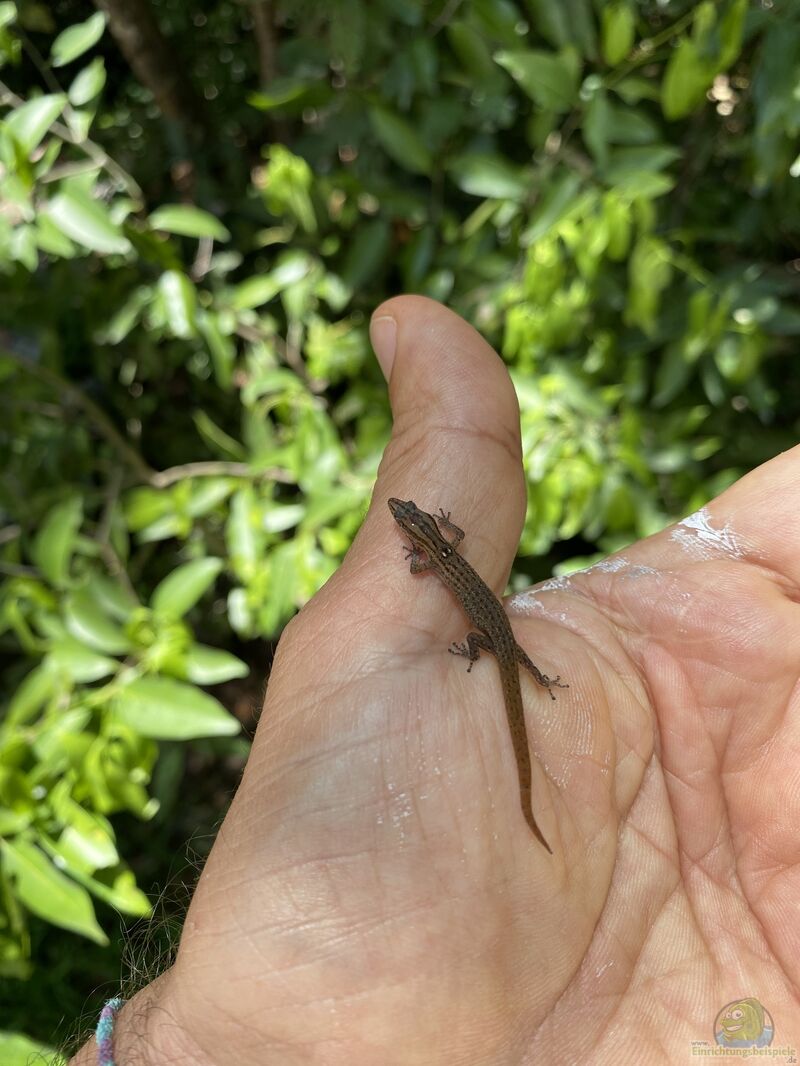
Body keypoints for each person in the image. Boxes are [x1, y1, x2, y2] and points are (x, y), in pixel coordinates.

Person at [70, 297, 800, 1063]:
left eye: (408, 520)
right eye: (412, 522)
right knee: (511, 661)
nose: (406, 522)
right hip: (499, 631)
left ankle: (527, 698)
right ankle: (531, 691)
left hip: (495, 630)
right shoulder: (435, 548)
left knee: (503, 657)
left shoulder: (427, 557)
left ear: (413, 532)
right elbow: (444, 551)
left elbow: (438, 561)